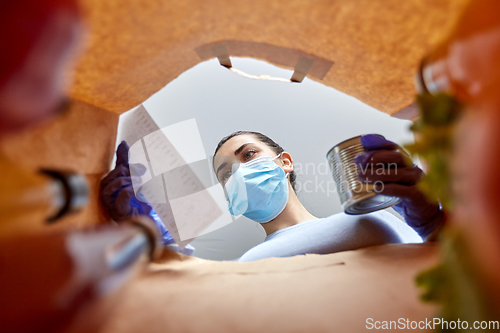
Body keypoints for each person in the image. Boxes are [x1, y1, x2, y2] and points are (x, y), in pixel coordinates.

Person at [101, 130, 445, 262]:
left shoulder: (373, 217)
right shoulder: (245, 263)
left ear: (285, 163)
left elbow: (458, 272)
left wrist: (434, 222)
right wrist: (148, 240)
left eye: (248, 155)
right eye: (224, 175)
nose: (237, 172)